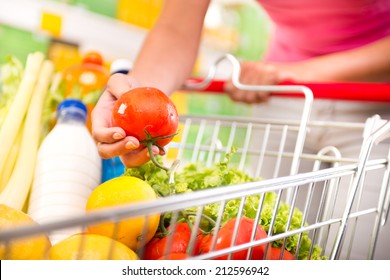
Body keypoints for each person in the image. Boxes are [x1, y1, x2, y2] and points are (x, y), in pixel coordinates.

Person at [91, 0, 390, 259]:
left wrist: (305, 72)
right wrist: (136, 99)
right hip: (282, 94)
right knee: (281, 242)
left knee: (358, 251)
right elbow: (176, 29)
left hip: (376, 99)